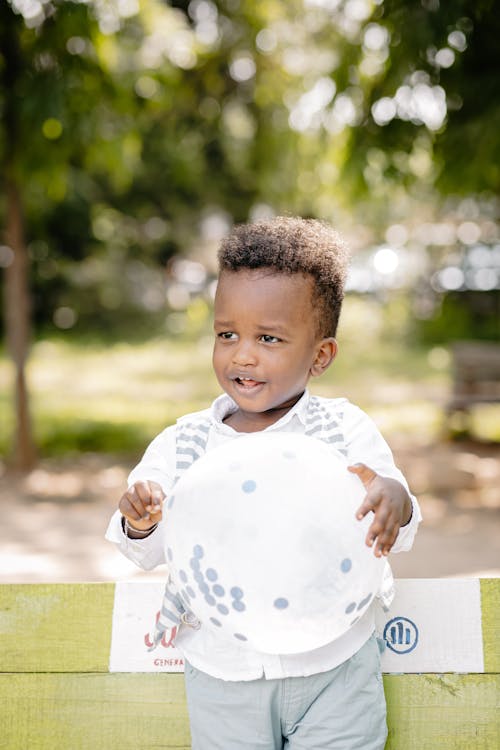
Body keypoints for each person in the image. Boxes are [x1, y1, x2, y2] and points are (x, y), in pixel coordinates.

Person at [106, 216, 421, 750]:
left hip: (335, 669)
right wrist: (140, 520)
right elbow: (149, 549)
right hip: (224, 673)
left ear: (320, 355)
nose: (242, 354)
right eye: (227, 334)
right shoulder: (185, 445)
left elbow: (397, 517)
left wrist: (396, 500)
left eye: (268, 338)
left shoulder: (343, 432)